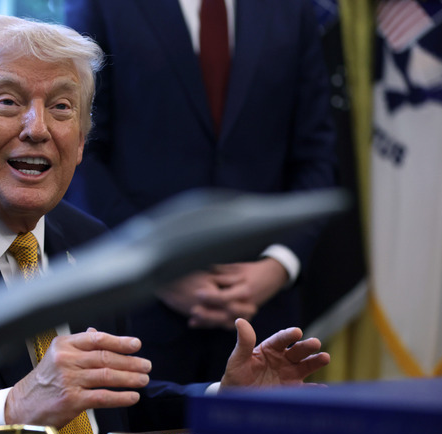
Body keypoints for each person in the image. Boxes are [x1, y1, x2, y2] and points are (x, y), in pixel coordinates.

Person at [0, 14, 330, 434]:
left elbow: (110, 407)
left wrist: (221, 401)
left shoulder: (93, 243)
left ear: (82, 140)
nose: (38, 128)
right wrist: (12, 409)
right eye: (9, 101)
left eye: (62, 108)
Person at [63, 0, 338, 383]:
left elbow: (316, 155)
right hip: (139, 317)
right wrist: (155, 268)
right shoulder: (100, 5)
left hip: (266, 323)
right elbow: (81, 152)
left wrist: (279, 264)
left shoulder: (292, 8)